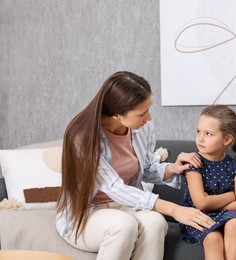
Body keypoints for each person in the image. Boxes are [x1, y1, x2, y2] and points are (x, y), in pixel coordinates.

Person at [55, 71, 215, 260]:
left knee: (155, 223)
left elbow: (146, 169)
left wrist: (173, 168)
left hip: (125, 206)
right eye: (141, 113)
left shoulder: (142, 127)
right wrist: (176, 210)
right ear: (116, 115)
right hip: (86, 212)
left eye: (148, 109)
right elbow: (113, 186)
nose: (148, 118)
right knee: (122, 226)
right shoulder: (82, 137)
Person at [180, 104, 236, 260]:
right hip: (199, 216)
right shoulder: (194, 163)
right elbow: (201, 203)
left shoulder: (235, 166)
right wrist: (232, 196)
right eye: (198, 132)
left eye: (209, 134)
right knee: (213, 238)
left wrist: (213, 203)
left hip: (227, 214)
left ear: (227, 139)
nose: (200, 138)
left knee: (235, 223)